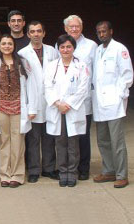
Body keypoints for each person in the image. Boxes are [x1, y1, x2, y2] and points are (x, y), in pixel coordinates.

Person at [0, 34, 37, 187]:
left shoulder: (23, 64)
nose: (7, 46)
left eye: (9, 44)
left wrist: (32, 108)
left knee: (18, 142)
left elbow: (31, 87)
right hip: (1, 110)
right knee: (4, 142)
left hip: (19, 109)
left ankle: (17, 175)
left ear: (14, 46)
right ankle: (5, 174)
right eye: (4, 44)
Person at [44, 34, 89, 187]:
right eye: (62, 47)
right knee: (60, 143)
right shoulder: (51, 66)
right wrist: (58, 104)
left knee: (73, 145)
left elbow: (83, 89)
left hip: (72, 110)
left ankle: (72, 173)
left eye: (68, 46)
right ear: (58, 49)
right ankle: (63, 173)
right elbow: (47, 87)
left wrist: (68, 104)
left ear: (73, 48)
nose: (65, 49)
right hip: (57, 110)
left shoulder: (81, 66)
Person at [92, 21, 133, 188]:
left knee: (117, 141)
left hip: (114, 101)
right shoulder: (98, 50)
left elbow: (127, 75)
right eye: (99, 32)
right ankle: (108, 170)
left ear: (111, 31)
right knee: (102, 140)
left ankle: (122, 174)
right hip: (100, 103)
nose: (102, 34)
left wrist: (120, 95)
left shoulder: (120, 49)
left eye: (104, 31)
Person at [18, 21, 59, 182]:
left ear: (44, 33)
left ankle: (49, 168)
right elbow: (23, 80)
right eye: (32, 31)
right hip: (32, 101)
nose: (36, 34)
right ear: (28, 34)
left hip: (50, 101)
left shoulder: (52, 51)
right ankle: (34, 170)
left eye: (39, 31)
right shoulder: (22, 53)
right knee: (33, 138)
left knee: (49, 137)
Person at [61, 15, 97, 180]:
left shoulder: (91, 46)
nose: (74, 29)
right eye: (71, 27)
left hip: (84, 99)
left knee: (83, 135)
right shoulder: (60, 45)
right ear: (66, 29)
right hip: (65, 101)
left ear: (81, 28)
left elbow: (96, 73)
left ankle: (83, 168)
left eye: (77, 26)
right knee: (67, 135)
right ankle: (69, 167)